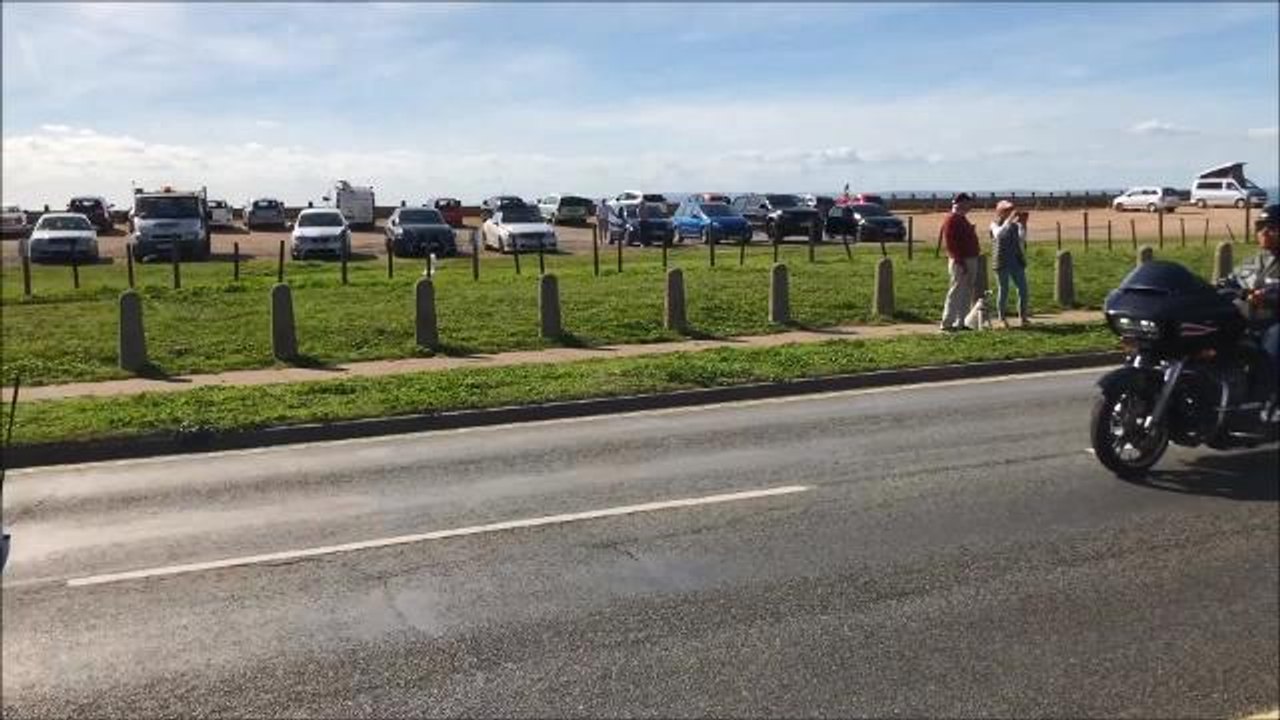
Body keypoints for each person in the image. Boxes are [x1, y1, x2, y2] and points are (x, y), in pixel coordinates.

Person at [1224, 202, 1279, 416]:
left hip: (1273, 322)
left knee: (1273, 342)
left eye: (1272, 227)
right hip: (1249, 321)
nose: (1264, 232)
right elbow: (1230, 281)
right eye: (1260, 227)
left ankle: (1268, 401)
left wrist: (1269, 296)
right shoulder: (1255, 261)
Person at [939, 192, 981, 331]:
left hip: (969, 258)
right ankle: (947, 322)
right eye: (967, 204)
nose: (969, 207)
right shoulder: (952, 219)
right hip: (961, 260)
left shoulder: (962, 219)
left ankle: (961, 321)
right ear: (960, 204)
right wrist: (959, 261)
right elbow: (951, 243)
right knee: (956, 291)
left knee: (966, 291)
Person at [989, 199, 1030, 328]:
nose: (1010, 212)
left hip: (1016, 261)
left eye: (1011, 210)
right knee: (1004, 290)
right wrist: (1009, 221)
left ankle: (1023, 317)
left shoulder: (1014, 225)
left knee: (1023, 290)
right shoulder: (994, 224)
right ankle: (1002, 318)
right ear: (1000, 212)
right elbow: (999, 235)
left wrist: (1023, 225)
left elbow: (1021, 239)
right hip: (1001, 262)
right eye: (1007, 210)